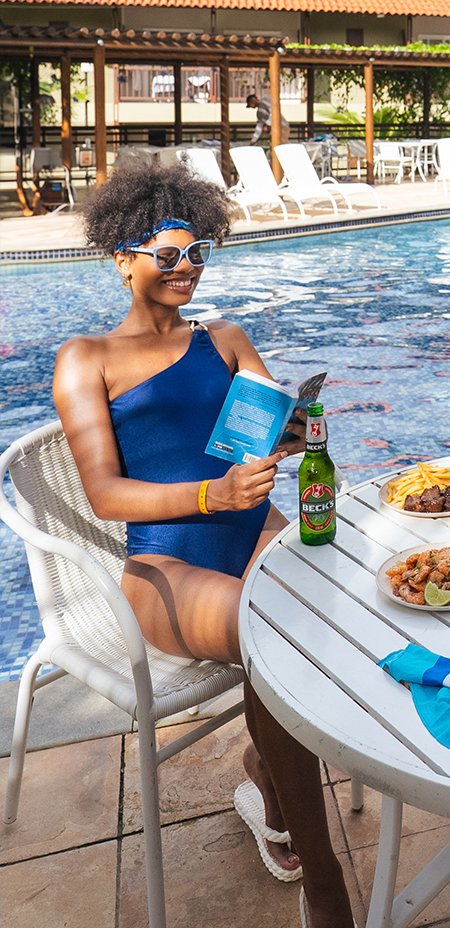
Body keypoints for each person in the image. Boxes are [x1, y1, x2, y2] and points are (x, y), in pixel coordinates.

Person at [52, 164, 352, 928]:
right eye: (168, 255)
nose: (186, 269)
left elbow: (271, 428)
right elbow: (106, 496)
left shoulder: (224, 340)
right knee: (275, 629)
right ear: (122, 258)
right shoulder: (86, 359)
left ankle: (263, 772)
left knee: (347, 604)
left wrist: (293, 435)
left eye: (198, 255)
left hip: (256, 537)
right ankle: (327, 887)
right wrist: (209, 495)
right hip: (167, 565)